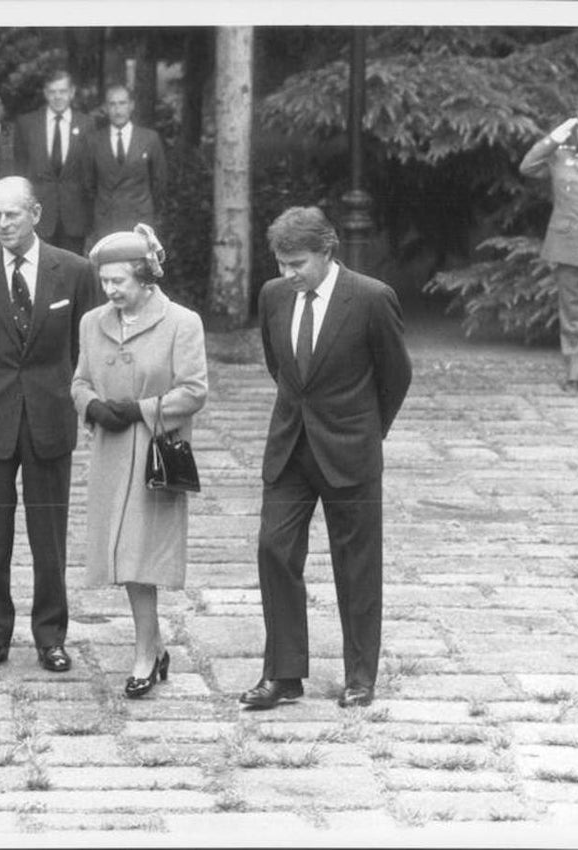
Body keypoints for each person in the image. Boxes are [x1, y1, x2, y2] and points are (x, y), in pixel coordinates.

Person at [242, 206, 412, 711]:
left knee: (357, 566)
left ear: (326, 252)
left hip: (350, 450)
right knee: (274, 550)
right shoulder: (274, 297)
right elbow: (282, 368)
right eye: (281, 264)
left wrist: (364, 430)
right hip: (291, 447)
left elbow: (395, 376)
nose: (287, 274)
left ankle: (360, 676)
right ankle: (283, 675)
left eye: (297, 264)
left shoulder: (371, 298)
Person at [0, 176, 100, 673]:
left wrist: (57, 390)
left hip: (49, 416)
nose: (4, 224)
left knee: (49, 536)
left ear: (35, 213)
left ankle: (51, 637)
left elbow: (87, 348)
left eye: (12, 214)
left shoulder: (74, 272)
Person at [71, 225, 207, 698]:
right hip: (110, 454)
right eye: (104, 282)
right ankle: (155, 645)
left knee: (140, 557)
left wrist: (142, 410)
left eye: (119, 282)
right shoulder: (93, 322)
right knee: (125, 557)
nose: (110, 291)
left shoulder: (182, 322)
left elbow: (194, 391)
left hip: (155, 453)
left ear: (145, 277)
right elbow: (80, 380)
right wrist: (92, 405)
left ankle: (145, 654)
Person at [519, 104, 578, 392]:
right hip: (567, 244)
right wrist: (554, 138)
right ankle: (575, 375)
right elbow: (528, 166)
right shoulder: (561, 157)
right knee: (574, 315)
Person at [14, 69, 95, 255]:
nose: (57, 97)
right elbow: (19, 172)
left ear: (72, 92)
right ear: (45, 93)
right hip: (39, 215)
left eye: (62, 91)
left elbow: (90, 172)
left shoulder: (87, 124)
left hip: (74, 216)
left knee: (72, 272)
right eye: (52, 92)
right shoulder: (27, 124)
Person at [88, 85, 168, 243]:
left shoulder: (150, 139)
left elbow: (159, 182)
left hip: (140, 221)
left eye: (122, 103)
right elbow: (88, 183)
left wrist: (146, 208)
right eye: (112, 104)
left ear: (132, 105)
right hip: (106, 221)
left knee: (140, 267)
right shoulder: (93, 141)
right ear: (105, 108)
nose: (118, 110)